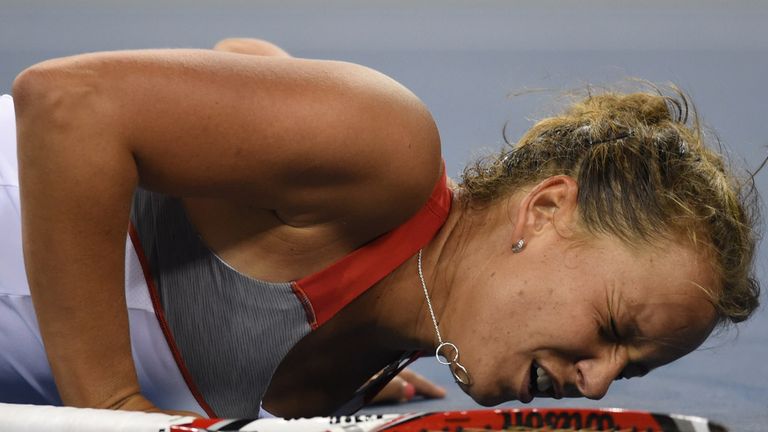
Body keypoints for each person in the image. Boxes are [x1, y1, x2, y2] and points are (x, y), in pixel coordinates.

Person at [0, 38, 759, 420]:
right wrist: (109, 409)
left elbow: (244, 55)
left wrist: (356, 365)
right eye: (612, 325)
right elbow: (68, 103)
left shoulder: (365, 370)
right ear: (546, 210)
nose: (593, 384)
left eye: (627, 371)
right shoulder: (387, 148)